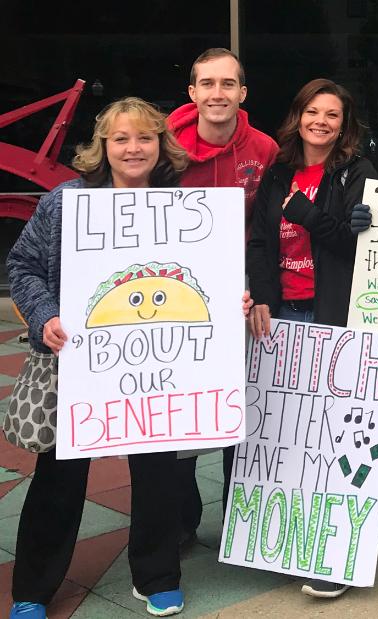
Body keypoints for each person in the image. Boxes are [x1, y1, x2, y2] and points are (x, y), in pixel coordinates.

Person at [6, 98, 192, 618]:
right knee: (59, 477)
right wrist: (44, 315)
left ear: (161, 145)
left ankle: (157, 575)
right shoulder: (67, 202)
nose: (134, 148)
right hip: (76, 362)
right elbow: (21, 266)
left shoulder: (182, 207)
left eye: (145, 138)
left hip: (154, 364)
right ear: (103, 147)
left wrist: (232, 298)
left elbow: (203, 277)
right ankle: (33, 589)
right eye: (121, 139)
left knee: (157, 470)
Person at [245, 78, 378, 599]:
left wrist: (306, 212)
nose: (321, 122)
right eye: (313, 112)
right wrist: (261, 298)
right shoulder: (277, 171)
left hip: (332, 316)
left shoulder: (357, 172)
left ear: (344, 125)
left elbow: (352, 242)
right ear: (298, 116)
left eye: (333, 115)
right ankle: (292, 544)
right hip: (282, 316)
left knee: (335, 438)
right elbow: (259, 241)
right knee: (288, 435)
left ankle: (335, 557)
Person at [167, 47, 279, 548]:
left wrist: (259, 291)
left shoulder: (265, 149)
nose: (218, 93)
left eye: (228, 84)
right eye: (207, 84)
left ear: (242, 93)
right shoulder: (164, 148)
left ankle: (243, 519)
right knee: (182, 414)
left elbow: (270, 229)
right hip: (177, 301)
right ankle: (182, 520)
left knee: (245, 408)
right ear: (192, 93)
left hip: (241, 296)